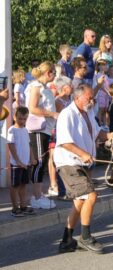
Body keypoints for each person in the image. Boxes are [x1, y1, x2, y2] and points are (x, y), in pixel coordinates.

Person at [54, 84, 113, 253]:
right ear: (77, 98)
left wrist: (109, 135)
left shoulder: (89, 112)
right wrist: (83, 154)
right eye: (89, 97)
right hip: (69, 162)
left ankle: (67, 240)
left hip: (83, 163)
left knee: (80, 201)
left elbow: (97, 134)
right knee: (91, 195)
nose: (92, 100)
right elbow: (64, 142)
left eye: (92, 97)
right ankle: (85, 237)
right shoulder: (66, 115)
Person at [25, 61, 58, 209]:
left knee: (43, 161)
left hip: (45, 129)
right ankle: (36, 197)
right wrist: (52, 114)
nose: (55, 75)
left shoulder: (45, 88)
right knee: (39, 161)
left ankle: (39, 194)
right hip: (38, 129)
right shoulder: (36, 87)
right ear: (48, 73)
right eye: (54, 72)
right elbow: (32, 108)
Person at [7, 106, 36, 217]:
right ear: (15, 117)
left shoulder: (25, 130)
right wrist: (18, 161)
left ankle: (23, 206)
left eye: (24, 119)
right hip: (17, 164)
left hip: (26, 163)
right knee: (15, 186)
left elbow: (29, 145)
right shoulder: (12, 130)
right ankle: (15, 208)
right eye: (20, 118)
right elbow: (11, 146)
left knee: (23, 184)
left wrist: (32, 158)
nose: (22, 121)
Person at [47, 75, 73, 197]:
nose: (72, 87)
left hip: (68, 130)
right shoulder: (58, 100)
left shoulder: (70, 99)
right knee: (54, 158)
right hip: (57, 130)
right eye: (70, 86)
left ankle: (66, 184)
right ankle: (53, 184)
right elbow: (64, 115)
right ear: (64, 88)